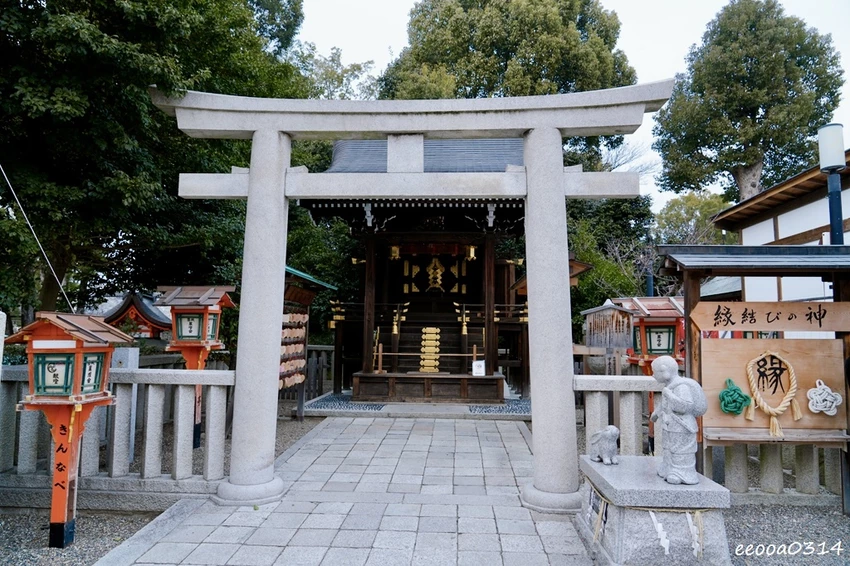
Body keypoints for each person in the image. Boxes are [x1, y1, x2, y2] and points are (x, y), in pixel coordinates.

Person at [650, 355, 707, 485]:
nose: (653, 375)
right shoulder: (670, 386)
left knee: (681, 450)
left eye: (655, 372)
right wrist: (656, 413)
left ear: (665, 372)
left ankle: (681, 473)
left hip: (682, 425)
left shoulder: (681, 387)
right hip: (669, 424)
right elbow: (664, 404)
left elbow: (685, 406)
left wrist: (669, 395)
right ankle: (668, 467)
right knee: (668, 448)